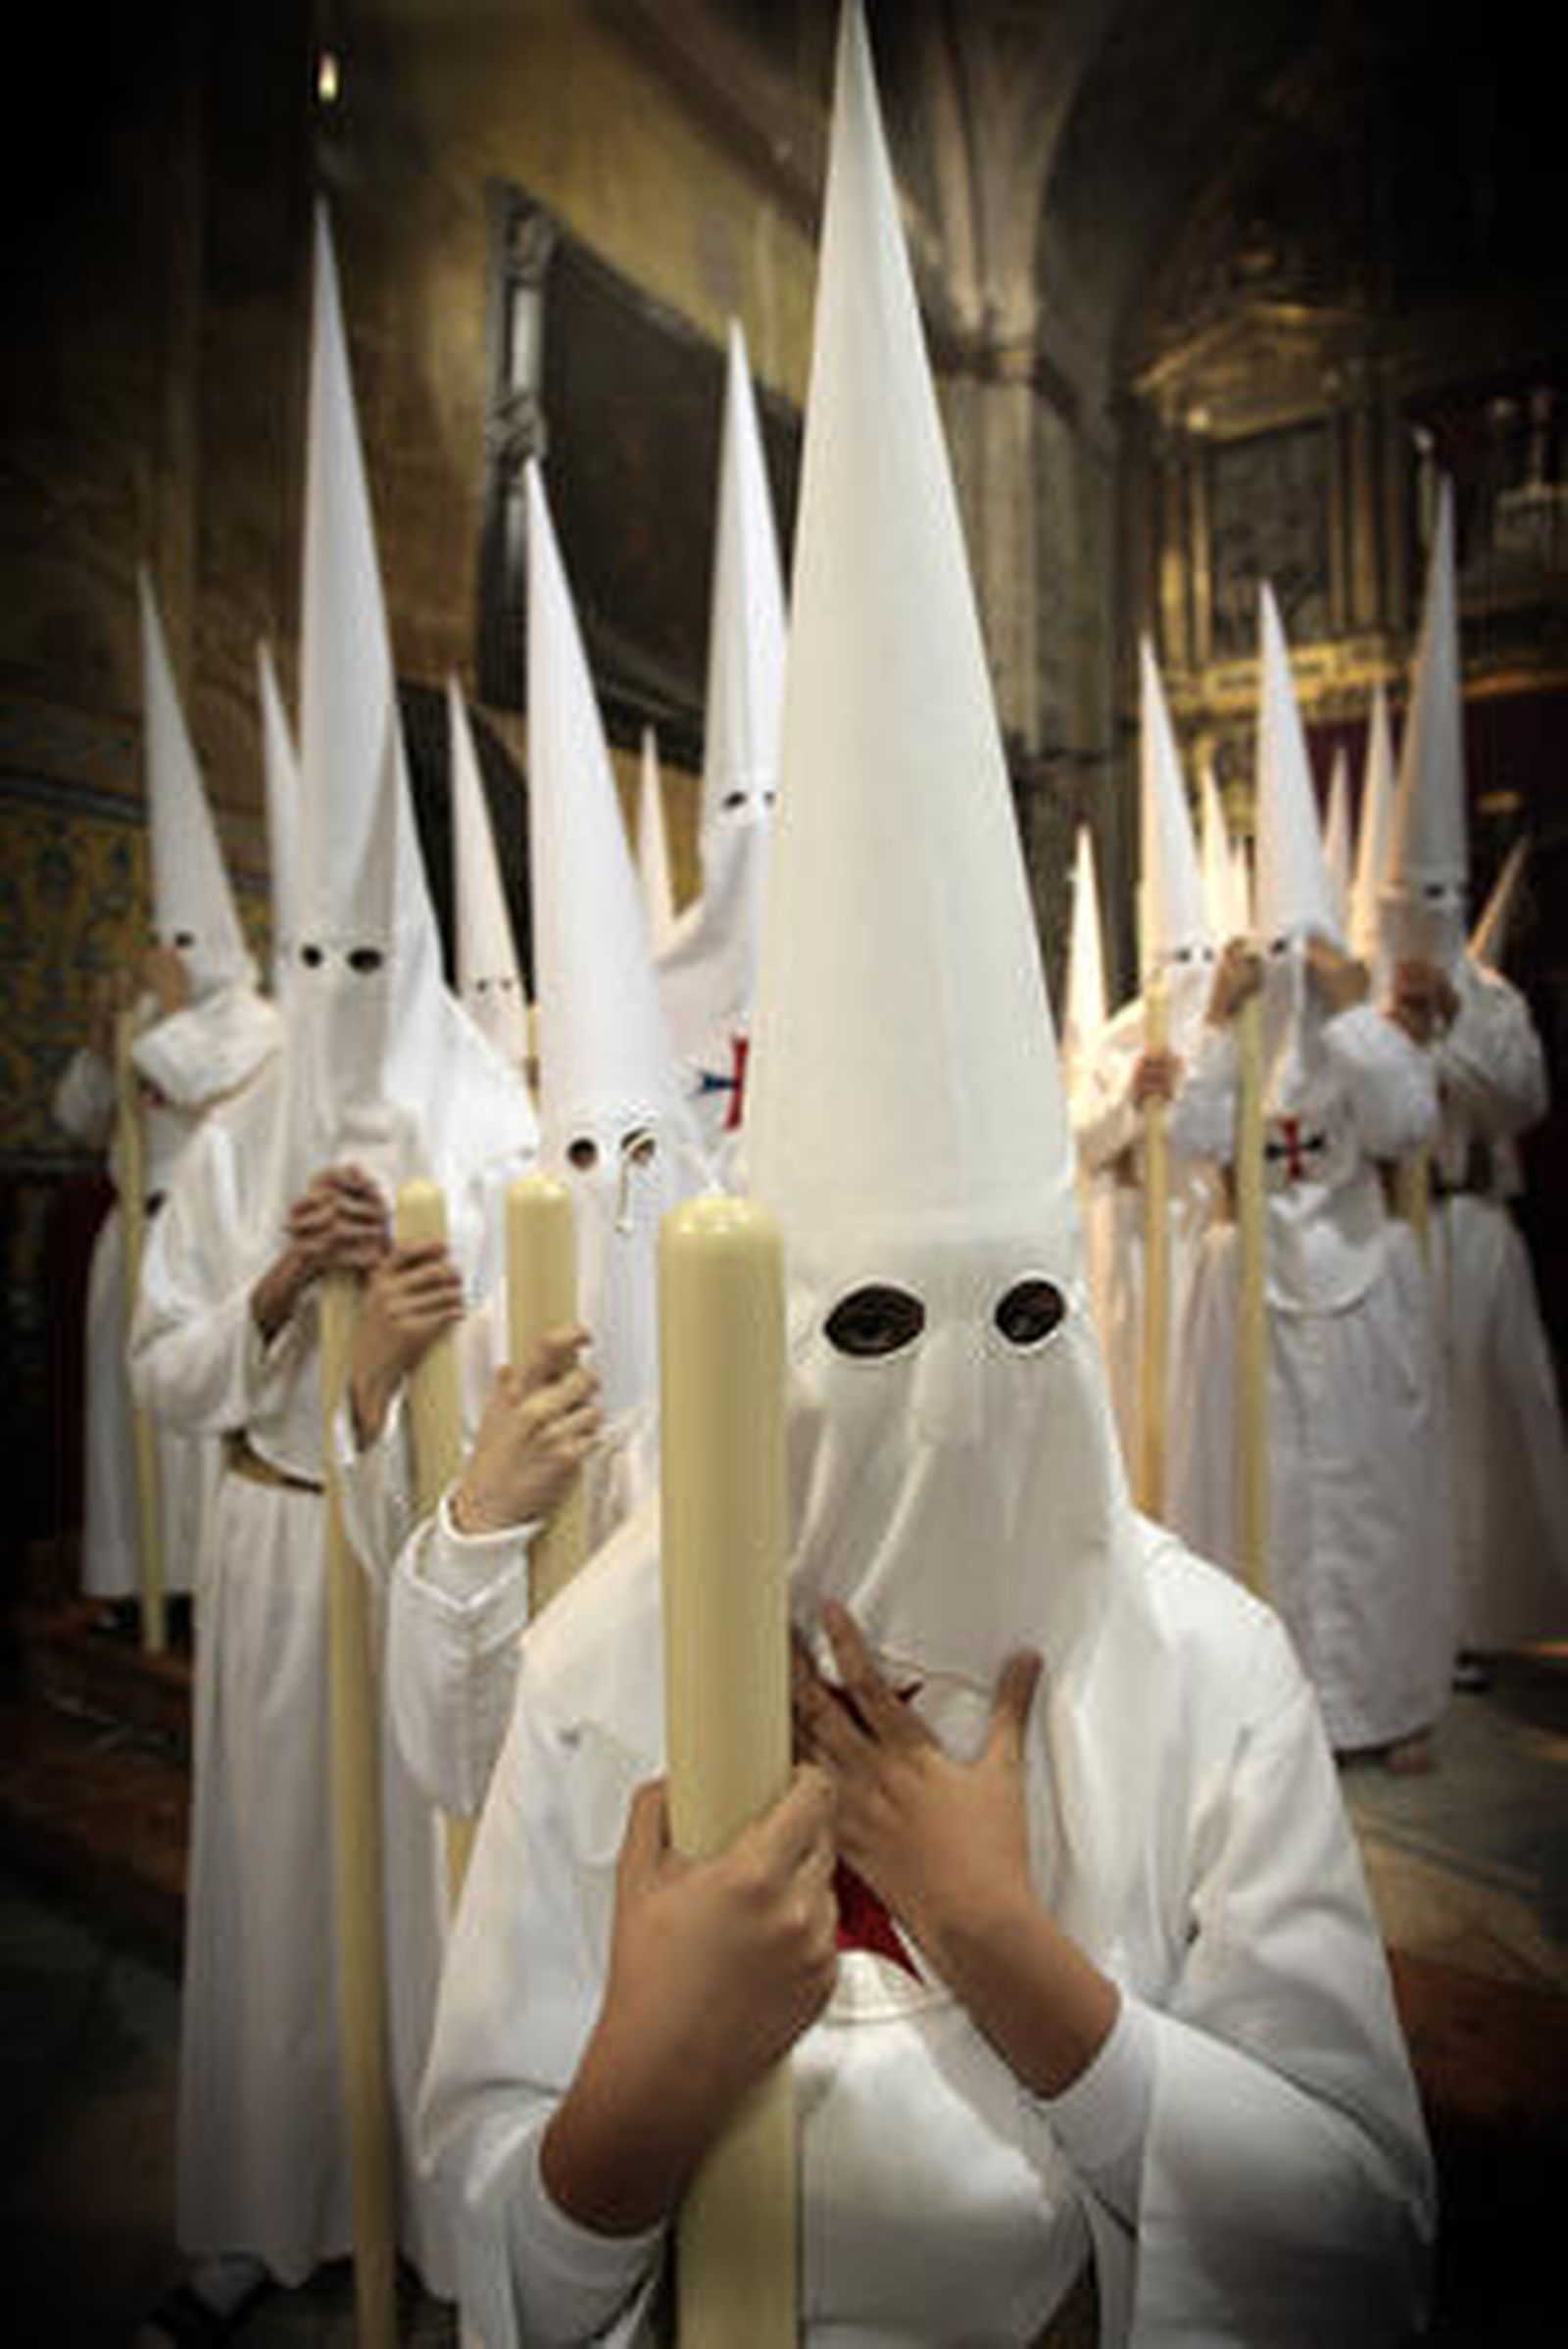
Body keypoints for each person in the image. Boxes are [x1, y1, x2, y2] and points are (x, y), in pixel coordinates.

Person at [417, 14, 1434, 2343]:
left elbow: (1360, 2234)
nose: (947, 1388)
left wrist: (1006, 1946)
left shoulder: (1198, 1668)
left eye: (1012, 1316)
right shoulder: (609, 1679)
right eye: (865, 1325)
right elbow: (494, 2248)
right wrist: (628, 2110)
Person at [130, 212, 536, 2339]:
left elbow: (559, 1260)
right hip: (281, 1552)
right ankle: (270, 2209)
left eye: (376, 954)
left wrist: (430, 1269)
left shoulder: (473, 1089)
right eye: (324, 959)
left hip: (416, 1544)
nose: (351, 996)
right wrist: (280, 1298)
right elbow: (171, 1361)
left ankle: (433, 2218)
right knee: (281, 1916)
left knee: (420, 1903)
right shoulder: (232, 1126)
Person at [1167, 588, 1455, 1772]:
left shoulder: (1357, 1027)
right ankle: (1274, 1713)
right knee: (1267, 1504)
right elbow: (1193, 1136)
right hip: (1253, 1302)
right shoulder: (1231, 1022)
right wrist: (1224, 1023)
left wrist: (1353, 1014)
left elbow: (1405, 1121)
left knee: (1376, 1506)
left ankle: (1386, 1705)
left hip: (1359, 1288)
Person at [1375, 484, 1568, 1667]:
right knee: (1402, 1434)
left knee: (1489, 1435)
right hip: (1391, 1235)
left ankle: (1500, 1618)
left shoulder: (1488, 998)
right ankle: (1414, 1625)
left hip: (1474, 1235)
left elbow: (1519, 1101)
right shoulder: (1358, 991)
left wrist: (1445, 1034)